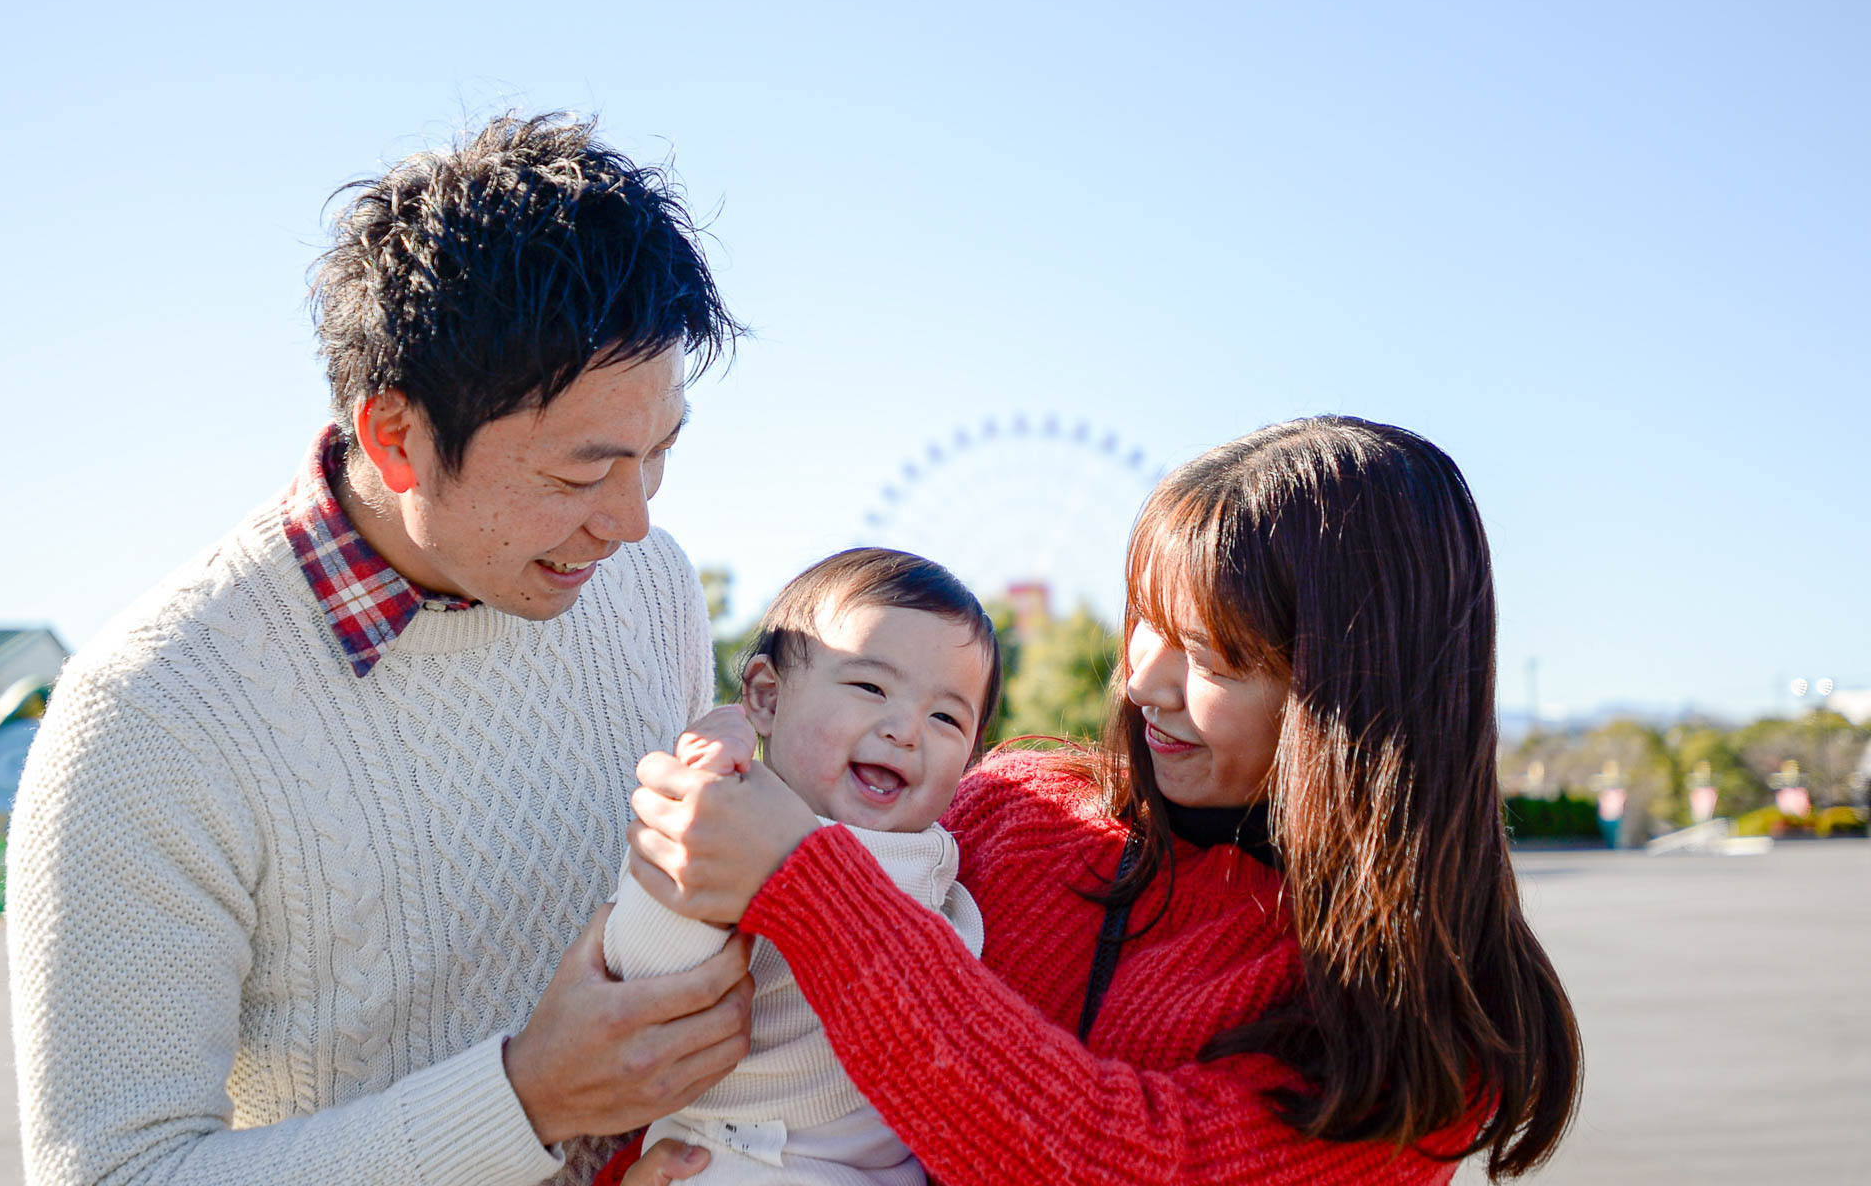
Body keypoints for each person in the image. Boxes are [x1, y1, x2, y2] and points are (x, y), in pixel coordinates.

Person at [7, 112, 755, 1186]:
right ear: (394, 437)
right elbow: (115, 1173)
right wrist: (523, 1100)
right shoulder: (152, 713)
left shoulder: (648, 587)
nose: (631, 520)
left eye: (660, 453)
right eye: (578, 474)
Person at [617, 417, 1584, 1185]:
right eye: (1144, 626)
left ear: (1351, 696)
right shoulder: (1010, 809)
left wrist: (807, 880)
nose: (1143, 682)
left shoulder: (1423, 1037)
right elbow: (751, 1023)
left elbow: (1100, 1158)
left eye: (1209, 657)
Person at [602, 548, 1002, 1185]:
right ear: (767, 697)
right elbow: (645, 971)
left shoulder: (947, 864)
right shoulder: (728, 826)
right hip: (734, 1157)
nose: (906, 730)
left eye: (946, 717)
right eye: (871, 687)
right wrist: (698, 818)